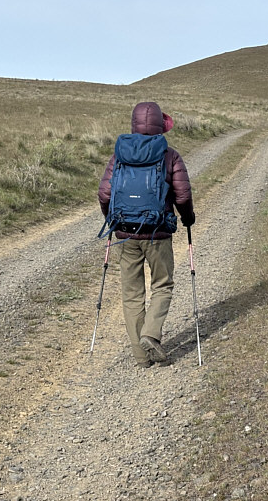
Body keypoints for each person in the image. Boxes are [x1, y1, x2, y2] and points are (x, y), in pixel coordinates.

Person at [98, 101, 195, 367]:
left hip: (125, 233)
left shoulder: (119, 155)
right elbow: (183, 195)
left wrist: (112, 220)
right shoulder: (170, 155)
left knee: (131, 294)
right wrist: (188, 219)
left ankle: (141, 357)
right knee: (162, 285)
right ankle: (151, 335)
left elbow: (105, 194)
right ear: (160, 127)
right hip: (158, 233)